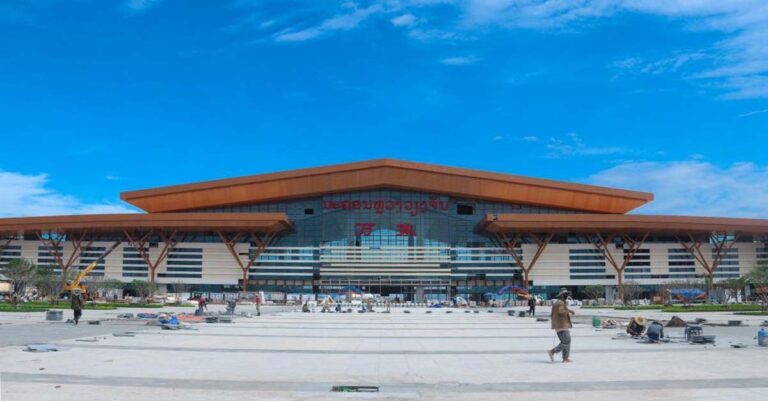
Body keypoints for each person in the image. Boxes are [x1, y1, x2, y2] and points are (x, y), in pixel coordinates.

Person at [548, 288, 575, 363]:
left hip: (561, 324)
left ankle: (565, 358)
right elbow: (561, 311)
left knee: (567, 341)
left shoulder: (559, 302)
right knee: (566, 341)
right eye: (565, 294)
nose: (567, 295)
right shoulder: (560, 303)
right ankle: (552, 352)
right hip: (561, 325)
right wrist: (569, 311)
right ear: (562, 295)